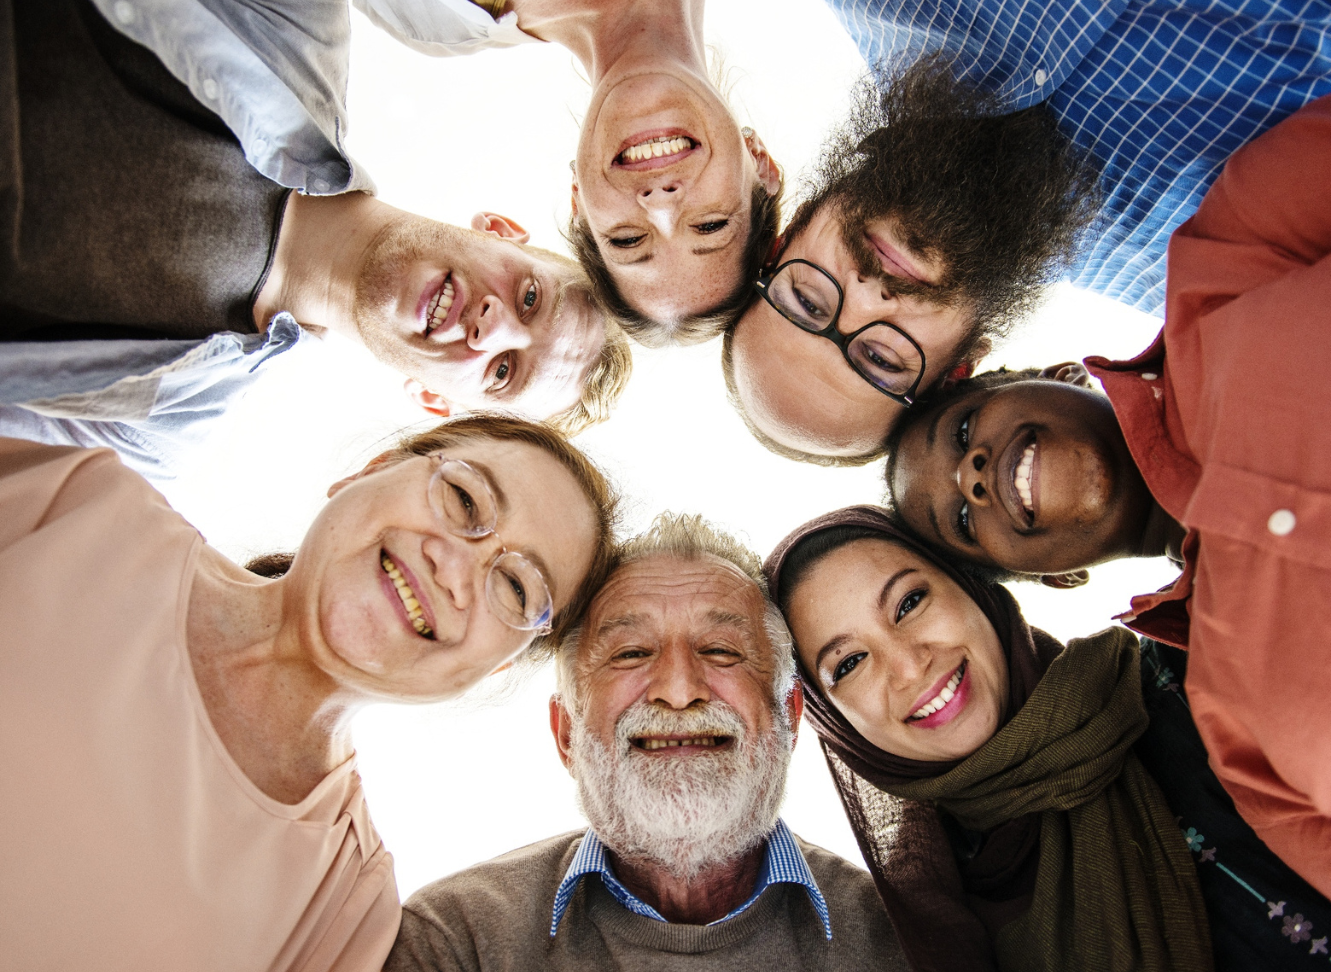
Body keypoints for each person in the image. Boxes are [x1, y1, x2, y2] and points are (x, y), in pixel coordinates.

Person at [886, 77, 1331, 927]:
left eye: (963, 434)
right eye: (962, 522)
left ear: (1047, 375)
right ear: (1056, 579)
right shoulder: (1237, 731)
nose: (970, 478)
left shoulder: (1237, 251)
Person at [0, 414, 619, 970]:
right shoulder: (80, 504)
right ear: (365, 473)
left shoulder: (345, 912)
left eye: (515, 588)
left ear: (496, 670)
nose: (455, 567)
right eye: (462, 497)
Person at [0, 0, 629, 478]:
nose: (491, 326)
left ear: (434, 401)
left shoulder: (165, 428)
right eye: (528, 298)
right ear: (500, 231)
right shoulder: (296, 28)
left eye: (502, 371)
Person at [725, 0, 1331, 463]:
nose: (867, 296)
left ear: (785, 241)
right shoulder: (1212, 262)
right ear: (959, 370)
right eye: (881, 357)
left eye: (807, 302)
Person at [766, 506, 1331, 971]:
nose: (907, 665)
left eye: (911, 602)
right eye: (847, 665)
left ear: (973, 588)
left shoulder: (1188, 672)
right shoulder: (924, 919)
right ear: (834, 723)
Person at [385, 513, 912, 972]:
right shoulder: (455, 941)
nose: (679, 690)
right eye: (631, 653)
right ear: (566, 731)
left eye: (722, 650)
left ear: (789, 719)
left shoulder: (913, 944)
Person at [88, 0, 781, 346]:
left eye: (627, 240)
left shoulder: (436, 18)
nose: (659, 204)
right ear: (761, 164)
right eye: (709, 224)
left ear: (579, 201)